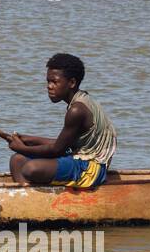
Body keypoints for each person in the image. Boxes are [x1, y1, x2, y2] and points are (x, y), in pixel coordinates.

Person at [7, 53, 117, 188]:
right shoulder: (80, 100)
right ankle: (28, 198)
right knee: (17, 160)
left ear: (71, 83)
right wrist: (29, 139)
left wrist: (22, 148)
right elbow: (64, 144)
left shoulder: (77, 110)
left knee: (31, 168)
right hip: (78, 157)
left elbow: (57, 150)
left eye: (54, 82)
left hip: (91, 168)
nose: (49, 86)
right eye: (48, 81)